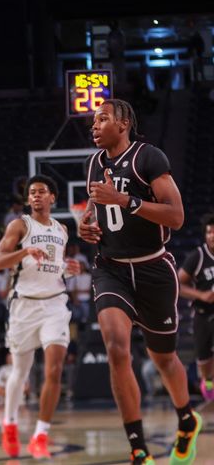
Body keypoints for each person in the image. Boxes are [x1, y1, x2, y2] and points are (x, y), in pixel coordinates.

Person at [79, 99, 201, 465]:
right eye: (93, 121)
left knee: (163, 358)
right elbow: (94, 206)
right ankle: (139, 449)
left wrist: (126, 200)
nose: (94, 126)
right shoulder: (94, 163)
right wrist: (86, 225)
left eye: (102, 119)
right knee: (116, 347)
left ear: (123, 123)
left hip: (152, 268)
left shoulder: (148, 158)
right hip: (111, 268)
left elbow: (176, 216)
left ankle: (186, 418)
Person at [0, 175, 80, 459]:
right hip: (24, 307)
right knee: (20, 372)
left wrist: (68, 268)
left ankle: (40, 435)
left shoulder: (62, 230)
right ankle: (10, 423)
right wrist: (24, 251)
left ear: (53, 197)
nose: (36, 196)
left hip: (55, 305)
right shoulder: (20, 225)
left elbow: (52, 267)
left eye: (42, 192)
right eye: (32, 193)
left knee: (54, 368)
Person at [178, 216, 214, 401]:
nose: (212, 235)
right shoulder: (198, 257)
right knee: (204, 358)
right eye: (209, 232)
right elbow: (178, 285)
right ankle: (208, 379)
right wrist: (201, 295)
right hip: (203, 312)